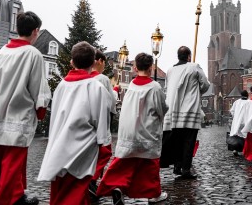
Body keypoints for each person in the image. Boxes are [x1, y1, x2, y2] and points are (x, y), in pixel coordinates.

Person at [37, 42, 111, 205]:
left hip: (59, 145)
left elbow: (55, 117)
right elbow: (101, 121)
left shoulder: (61, 86)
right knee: (76, 192)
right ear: (93, 63)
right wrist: (104, 145)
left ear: (72, 62)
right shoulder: (97, 87)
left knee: (60, 191)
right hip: (83, 148)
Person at [97, 53, 168, 205]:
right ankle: (153, 194)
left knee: (124, 163)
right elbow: (161, 108)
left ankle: (117, 187)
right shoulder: (154, 87)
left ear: (135, 68)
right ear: (151, 68)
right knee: (149, 165)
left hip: (129, 130)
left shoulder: (132, 85)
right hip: (146, 130)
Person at [0, 11, 51, 205]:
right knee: (11, 166)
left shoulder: (2, 51)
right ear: (36, 31)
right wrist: (41, 109)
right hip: (18, 116)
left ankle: (17, 196)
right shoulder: (32, 54)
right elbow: (38, 87)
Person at [161, 46, 210, 179]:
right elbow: (205, 84)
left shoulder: (170, 70)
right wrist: (197, 91)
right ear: (189, 56)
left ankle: (177, 167)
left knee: (176, 140)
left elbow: (166, 88)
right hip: (189, 110)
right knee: (189, 141)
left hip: (173, 111)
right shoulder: (194, 67)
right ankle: (186, 169)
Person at [88, 49, 120, 201]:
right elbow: (110, 103)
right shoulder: (102, 79)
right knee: (104, 152)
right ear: (99, 61)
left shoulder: (83, 77)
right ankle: (92, 180)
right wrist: (114, 92)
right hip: (100, 118)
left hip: (85, 120)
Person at [228, 90, 249, 155]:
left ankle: (235, 149)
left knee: (236, 135)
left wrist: (236, 117)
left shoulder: (236, 102)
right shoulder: (249, 102)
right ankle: (245, 150)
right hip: (246, 121)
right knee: (245, 136)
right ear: (247, 95)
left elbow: (232, 111)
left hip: (237, 122)